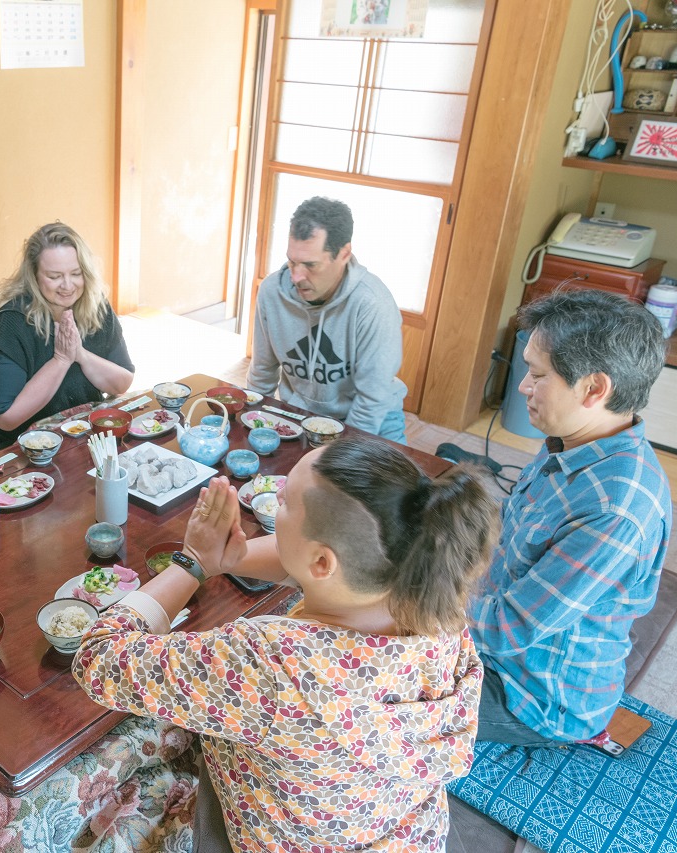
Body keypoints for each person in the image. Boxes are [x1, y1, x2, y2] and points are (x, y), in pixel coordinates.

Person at [73, 435, 498, 851]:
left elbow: (98, 658)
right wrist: (231, 560)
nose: (274, 497)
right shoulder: (437, 601)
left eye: (284, 502)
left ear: (321, 560)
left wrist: (193, 563)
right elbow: (319, 569)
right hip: (402, 830)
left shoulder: (273, 664)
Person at [468, 289, 671, 747]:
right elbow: (510, 528)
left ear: (594, 389)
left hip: (534, 696)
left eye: (537, 375)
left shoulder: (617, 507)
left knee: (356, 693)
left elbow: (508, 628)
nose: (523, 386)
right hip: (500, 632)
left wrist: (411, 596)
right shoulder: (573, 440)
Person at [0, 222, 135, 460]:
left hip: (78, 436)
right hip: (13, 450)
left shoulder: (95, 306)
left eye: (76, 274)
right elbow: (5, 418)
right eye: (55, 276)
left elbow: (122, 383)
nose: (68, 285)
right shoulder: (13, 322)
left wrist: (80, 355)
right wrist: (61, 360)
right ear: (34, 276)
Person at [247, 196, 407, 442]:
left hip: (370, 419)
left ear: (344, 254)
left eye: (310, 265)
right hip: (299, 414)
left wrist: (337, 458)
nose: (296, 276)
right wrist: (251, 423)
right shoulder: (272, 292)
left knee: (394, 481)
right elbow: (262, 371)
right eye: (292, 261)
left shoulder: (372, 304)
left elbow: (372, 399)